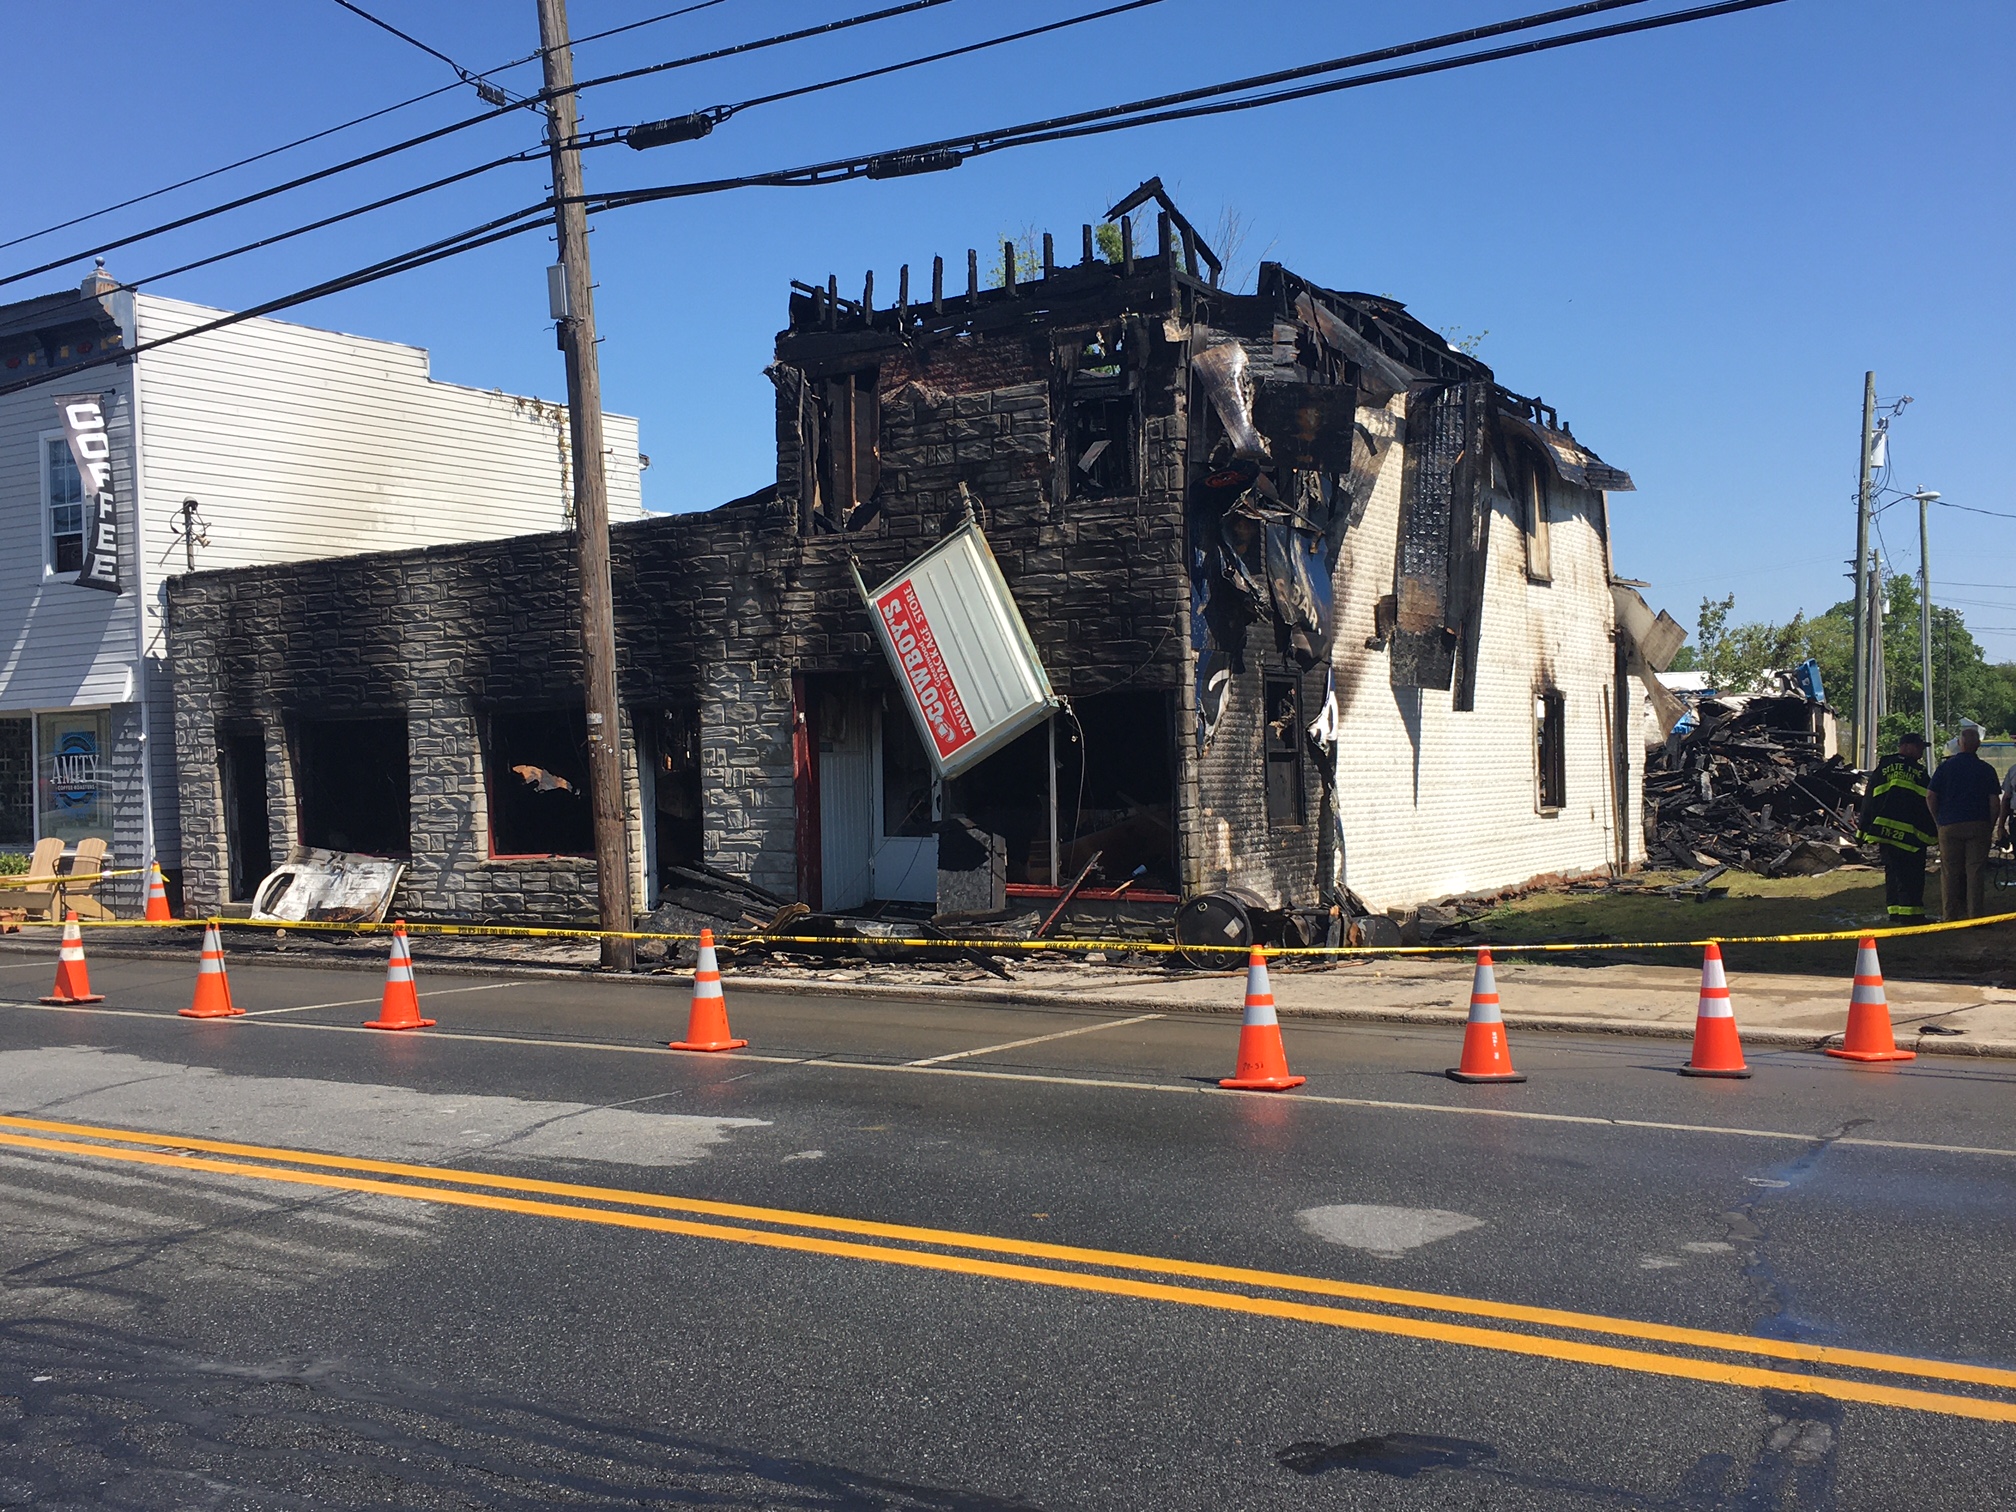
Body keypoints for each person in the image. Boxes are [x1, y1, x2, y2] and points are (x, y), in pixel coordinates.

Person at [1926, 727, 2005, 921]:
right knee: (1975, 871)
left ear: (1960, 744)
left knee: (1950, 872)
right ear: (1978, 745)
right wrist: (1991, 824)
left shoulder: (1945, 768)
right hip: (1978, 824)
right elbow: (1995, 801)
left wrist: (1938, 820)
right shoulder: (1986, 769)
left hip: (1949, 824)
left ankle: (1950, 916)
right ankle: (1975, 915)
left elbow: (1930, 796)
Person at [1858, 733, 1936, 922]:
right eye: (1919, 747)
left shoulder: (1883, 768)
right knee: (1912, 874)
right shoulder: (1918, 772)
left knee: (1892, 871)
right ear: (1907, 746)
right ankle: (1912, 915)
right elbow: (1928, 802)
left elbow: (1869, 799)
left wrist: (1862, 830)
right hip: (1909, 834)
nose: (1920, 752)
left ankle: (1894, 911)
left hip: (1885, 833)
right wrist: (1932, 831)